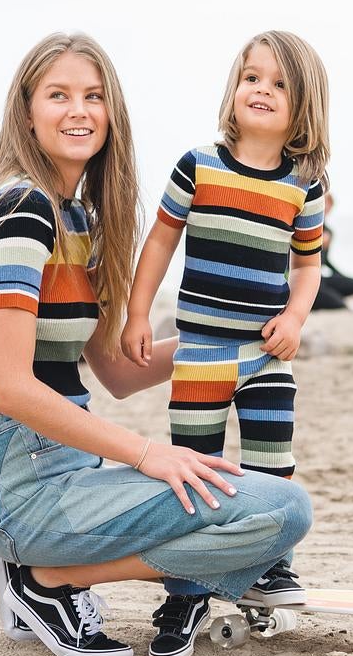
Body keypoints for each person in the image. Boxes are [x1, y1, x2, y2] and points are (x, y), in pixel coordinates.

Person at [0, 32, 313, 656]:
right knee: (282, 509)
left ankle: (45, 570)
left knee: (260, 497)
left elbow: (116, 371)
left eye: (93, 96)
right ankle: (47, 578)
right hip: (19, 478)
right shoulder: (21, 211)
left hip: (65, 472)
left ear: (112, 113)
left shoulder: (73, 219)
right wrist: (149, 455)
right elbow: (8, 387)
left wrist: (238, 342)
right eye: (58, 96)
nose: (78, 111)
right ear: (27, 111)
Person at [122, 30, 327, 606]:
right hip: (201, 353)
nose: (261, 89)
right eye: (252, 77)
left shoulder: (303, 185)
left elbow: (308, 267)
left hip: (266, 355)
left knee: (271, 464)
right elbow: (160, 243)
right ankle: (187, 585)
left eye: (279, 83)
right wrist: (140, 313)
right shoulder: (198, 166)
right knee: (196, 473)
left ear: (303, 104)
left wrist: (295, 319)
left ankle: (271, 563)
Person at [311, 189, 353, 311]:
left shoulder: (329, 232)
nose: (326, 208)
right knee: (339, 304)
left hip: (322, 278)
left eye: (329, 205)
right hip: (308, 279)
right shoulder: (305, 227)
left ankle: (328, 292)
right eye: (324, 203)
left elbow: (326, 261)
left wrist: (341, 276)